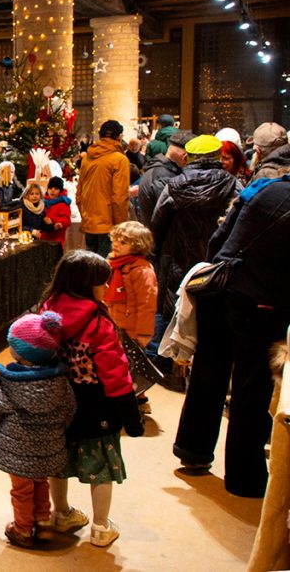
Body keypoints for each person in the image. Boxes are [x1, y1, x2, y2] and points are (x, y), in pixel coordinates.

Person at [174, 174, 290, 497]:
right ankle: (244, 477)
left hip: (221, 286)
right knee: (251, 389)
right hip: (261, 302)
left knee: (209, 372)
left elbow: (219, 235)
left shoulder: (265, 187)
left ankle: (192, 450)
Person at [41, 250, 144, 548]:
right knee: (101, 465)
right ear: (88, 285)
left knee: (58, 461)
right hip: (94, 405)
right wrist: (131, 416)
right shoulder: (98, 322)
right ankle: (100, 526)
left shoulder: (46, 309)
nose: (107, 288)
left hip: (56, 399)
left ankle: (60, 513)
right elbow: (116, 374)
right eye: (103, 282)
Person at [0, 311, 76, 549]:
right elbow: (69, 411)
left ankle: (23, 529)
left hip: (16, 450)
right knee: (40, 481)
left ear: (19, 351)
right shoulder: (60, 381)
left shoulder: (5, 381)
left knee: (22, 490)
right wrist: (57, 433)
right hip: (48, 447)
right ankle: (43, 524)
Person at [151, 134, 240, 349]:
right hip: (216, 259)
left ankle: (163, 363)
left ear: (189, 158)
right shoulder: (232, 184)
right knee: (211, 314)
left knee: (170, 309)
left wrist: (158, 252)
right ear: (217, 156)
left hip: (177, 256)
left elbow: (157, 222)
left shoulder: (174, 185)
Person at [104, 221, 158, 413]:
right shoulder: (114, 264)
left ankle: (138, 402)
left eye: (123, 242)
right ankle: (135, 401)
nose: (116, 244)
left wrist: (144, 333)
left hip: (132, 329)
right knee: (120, 366)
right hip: (115, 325)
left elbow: (147, 304)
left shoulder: (141, 270)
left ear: (137, 245)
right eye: (115, 239)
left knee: (132, 367)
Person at [76, 120, 130, 258]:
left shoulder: (87, 158)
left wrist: (85, 216)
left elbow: (79, 191)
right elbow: (119, 197)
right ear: (119, 137)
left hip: (89, 221)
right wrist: (121, 226)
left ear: (100, 136)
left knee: (90, 268)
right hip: (108, 224)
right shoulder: (119, 159)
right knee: (105, 270)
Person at [136, 129, 192, 227]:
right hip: (162, 239)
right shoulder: (162, 175)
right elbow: (169, 214)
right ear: (185, 157)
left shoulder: (162, 170)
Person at [40, 177, 72, 246]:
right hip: (42, 238)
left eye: (56, 189)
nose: (52, 191)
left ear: (60, 191)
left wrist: (56, 222)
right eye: (50, 188)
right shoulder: (43, 202)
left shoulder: (62, 204)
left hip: (57, 239)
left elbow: (66, 219)